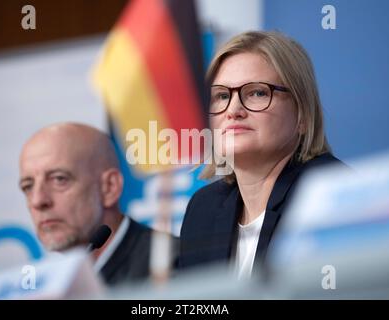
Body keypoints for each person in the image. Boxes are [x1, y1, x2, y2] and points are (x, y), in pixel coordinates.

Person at [179, 31, 345, 279]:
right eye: (222, 96)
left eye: (257, 93)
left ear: (303, 116)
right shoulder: (203, 209)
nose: (233, 110)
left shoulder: (329, 194)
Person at [19, 122, 176, 286]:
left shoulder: (177, 268)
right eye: (28, 186)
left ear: (109, 187)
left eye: (59, 179)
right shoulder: (39, 285)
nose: (38, 201)